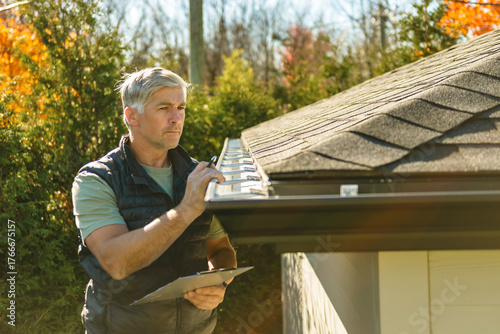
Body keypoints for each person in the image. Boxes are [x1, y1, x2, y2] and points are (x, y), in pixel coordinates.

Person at [72, 67, 237, 333]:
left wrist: (219, 283)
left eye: (181, 107)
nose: (176, 118)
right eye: (164, 108)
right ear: (132, 116)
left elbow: (221, 250)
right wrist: (185, 211)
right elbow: (116, 262)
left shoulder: (196, 176)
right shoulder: (96, 180)